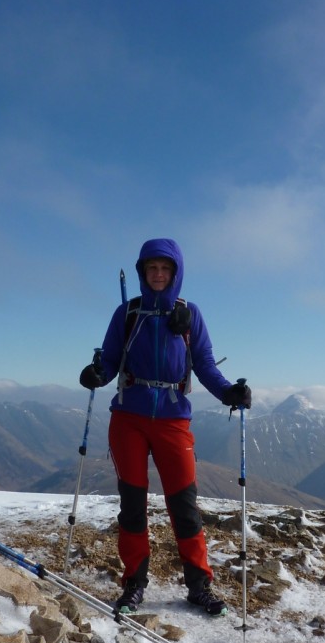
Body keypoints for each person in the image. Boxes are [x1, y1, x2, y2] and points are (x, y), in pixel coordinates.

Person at [79, 238, 251, 617]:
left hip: (173, 420)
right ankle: (134, 583)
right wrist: (97, 374)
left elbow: (205, 365)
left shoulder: (190, 315)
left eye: (165, 269)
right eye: (152, 268)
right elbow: (110, 360)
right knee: (132, 506)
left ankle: (199, 585)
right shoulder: (127, 313)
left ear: (176, 273)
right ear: (143, 272)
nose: (158, 274)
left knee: (184, 504)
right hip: (128, 419)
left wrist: (228, 393)